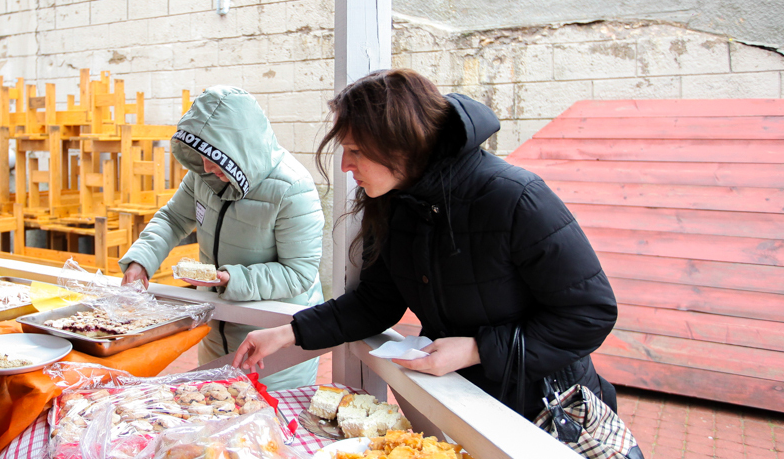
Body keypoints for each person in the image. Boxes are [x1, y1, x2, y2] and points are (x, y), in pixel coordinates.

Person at [233, 69, 618, 417]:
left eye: (356, 151)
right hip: (458, 405)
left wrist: (475, 349)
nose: (345, 166)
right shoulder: (395, 202)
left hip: (546, 412)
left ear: (399, 144)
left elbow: (590, 314)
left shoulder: (515, 197)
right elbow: (375, 302)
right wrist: (289, 332)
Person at [120, 86, 324, 390]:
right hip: (217, 332)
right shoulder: (204, 178)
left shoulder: (293, 189)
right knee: (217, 418)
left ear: (240, 148)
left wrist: (232, 279)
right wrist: (142, 260)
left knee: (274, 429)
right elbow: (173, 218)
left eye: (213, 157)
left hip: (274, 345)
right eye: (200, 156)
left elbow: (299, 273)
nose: (205, 167)